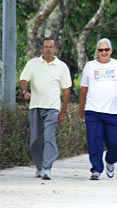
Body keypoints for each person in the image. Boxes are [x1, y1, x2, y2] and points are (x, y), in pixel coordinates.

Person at [20, 37, 72, 180]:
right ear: (42, 49)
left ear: (55, 49)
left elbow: (66, 90)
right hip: (35, 105)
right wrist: (25, 91)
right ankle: (39, 166)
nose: (48, 49)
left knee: (49, 137)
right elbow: (24, 79)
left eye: (51, 47)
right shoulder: (33, 63)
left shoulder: (62, 66)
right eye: (45, 47)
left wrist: (63, 111)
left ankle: (47, 167)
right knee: (36, 138)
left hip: (52, 107)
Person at [79, 38, 117, 180]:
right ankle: (96, 169)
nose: (104, 52)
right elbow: (83, 89)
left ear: (111, 51)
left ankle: (110, 161)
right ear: (97, 51)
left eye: (106, 50)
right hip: (93, 110)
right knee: (94, 141)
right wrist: (81, 107)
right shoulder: (89, 66)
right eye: (101, 50)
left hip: (112, 111)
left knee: (114, 142)